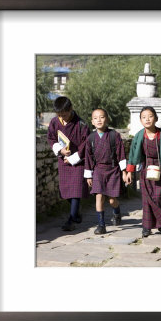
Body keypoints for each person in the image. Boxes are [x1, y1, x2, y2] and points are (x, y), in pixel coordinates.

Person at [125, 107, 161, 238]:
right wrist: (129, 172)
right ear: (140, 120)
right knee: (147, 199)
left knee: (158, 197)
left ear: (156, 118)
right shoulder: (139, 136)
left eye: (150, 116)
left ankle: (160, 219)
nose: (147, 119)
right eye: (144, 117)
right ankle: (147, 227)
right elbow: (132, 154)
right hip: (145, 169)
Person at [47, 96, 90, 231]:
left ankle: (71, 220)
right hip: (63, 161)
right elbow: (51, 138)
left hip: (78, 161)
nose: (62, 117)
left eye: (64, 114)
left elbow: (86, 144)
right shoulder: (54, 122)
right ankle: (76, 213)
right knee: (65, 191)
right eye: (59, 115)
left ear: (71, 109)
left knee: (75, 191)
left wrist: (73, 157)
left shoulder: (81, 124)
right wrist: (60, 150)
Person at [84, 108, 128, 235]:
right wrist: (88, 175)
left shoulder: (114, 135)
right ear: (92, 121)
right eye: (96, 118)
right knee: (99, 196)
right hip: (98, 170)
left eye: (102, 117)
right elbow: (88, 157)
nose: (99, 120)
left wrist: (124, 171)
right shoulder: (91, 138)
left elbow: (121, 154)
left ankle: (117, 212)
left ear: (107, 119)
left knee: (112, 200)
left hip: (113, 169)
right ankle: (101, 225)